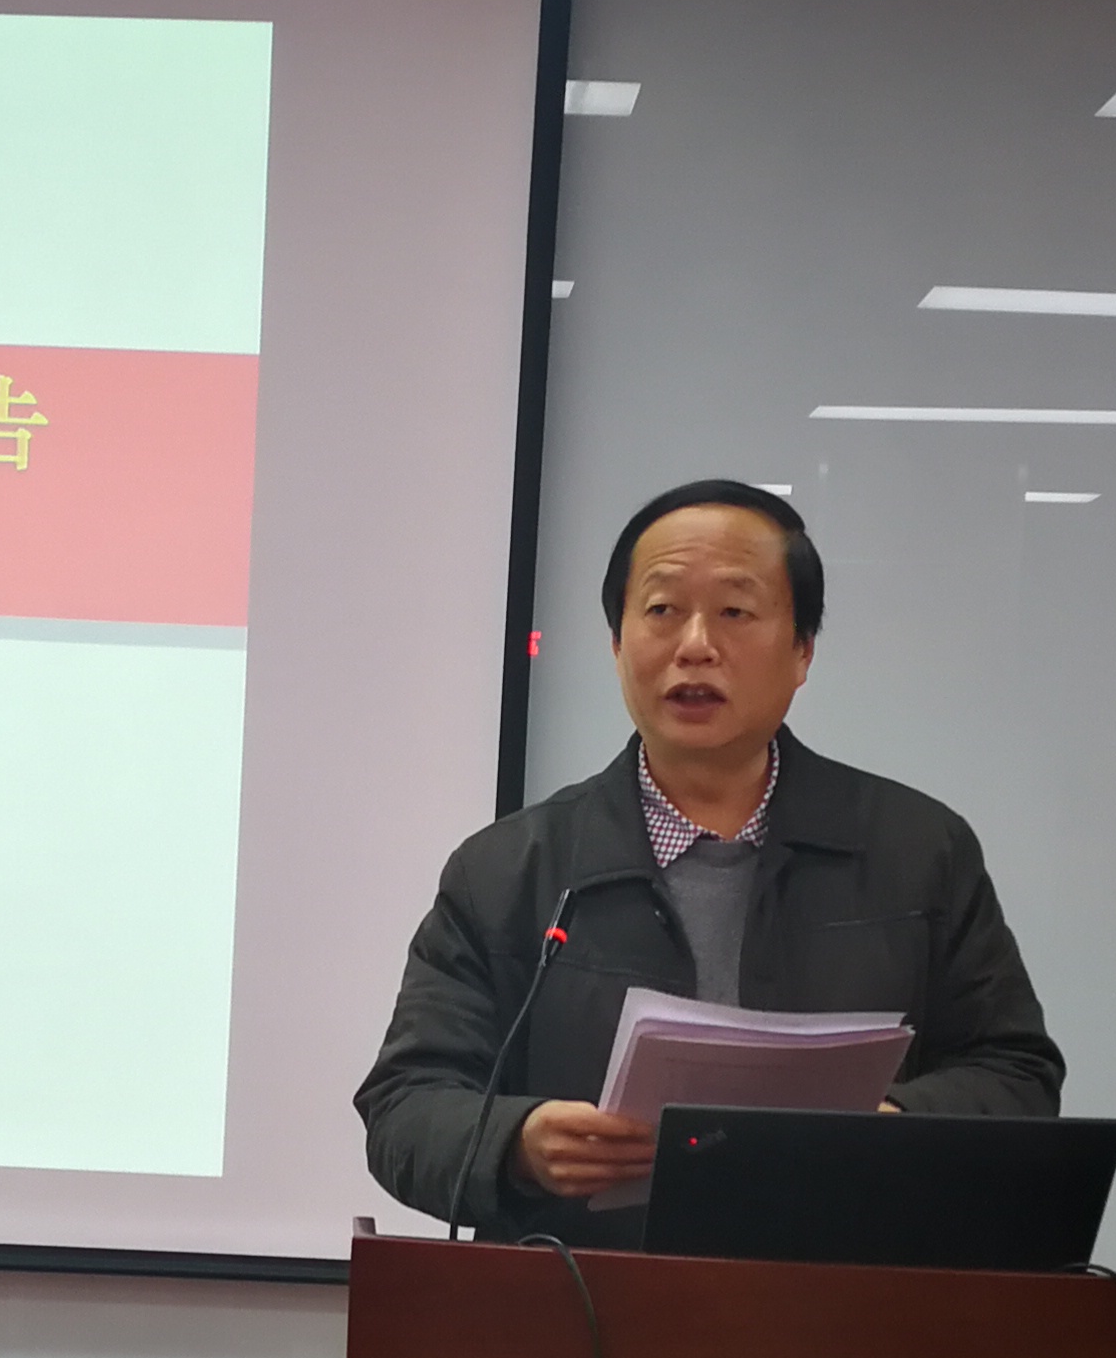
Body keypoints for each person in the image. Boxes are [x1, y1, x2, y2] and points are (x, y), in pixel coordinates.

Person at [356, 478, 1061, 1240]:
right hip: (581, 1293)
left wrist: (893, 1125)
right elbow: (406, 1104)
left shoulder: (918, 850)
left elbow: (1016, 1076)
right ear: (618, 644)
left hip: (845, 1290)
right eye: (662, 610)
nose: (695, 645)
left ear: (802, 651)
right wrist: (517, 1144)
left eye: (735, 611)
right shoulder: (509, 869)